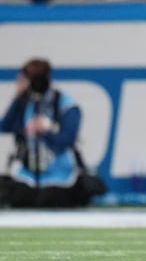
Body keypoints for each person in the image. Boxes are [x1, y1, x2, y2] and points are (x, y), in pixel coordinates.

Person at [0, 58, 91, 207]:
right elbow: (5, 126)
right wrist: (17, 99)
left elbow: (66, 141)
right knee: (18, 197)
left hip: (60, 176)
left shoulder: (65, 105)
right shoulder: (25, 103)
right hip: (28, 175)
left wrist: (44, 131)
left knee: (48, 199)